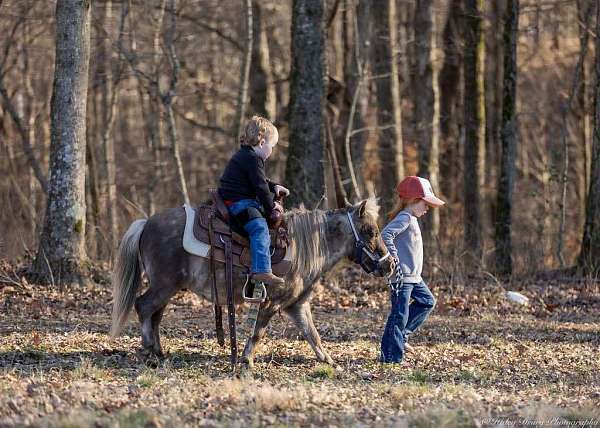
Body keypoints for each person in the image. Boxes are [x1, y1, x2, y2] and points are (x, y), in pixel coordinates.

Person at [379, 176, 445, 363]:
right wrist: (394, 258)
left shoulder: (412, 218)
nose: (427, 209)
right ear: (413, 200)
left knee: (427, 301)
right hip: (402, 278)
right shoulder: (405, 217)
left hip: (414, 278)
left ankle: (403, 335)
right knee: (399, 315)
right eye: (425, 204)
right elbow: (386, 235)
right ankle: (391, 357)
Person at [218, 116, 289, 285]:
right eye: (272, 146)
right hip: (238, 203)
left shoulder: (247, 155)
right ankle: (262, 270)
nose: (272, 151)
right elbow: (260, 188)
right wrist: (272, 208)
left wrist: (275, 187)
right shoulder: (253, 159)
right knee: (259, 228)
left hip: (237, 199)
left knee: (259, 218)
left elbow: (260, 181)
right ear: (262, 143)